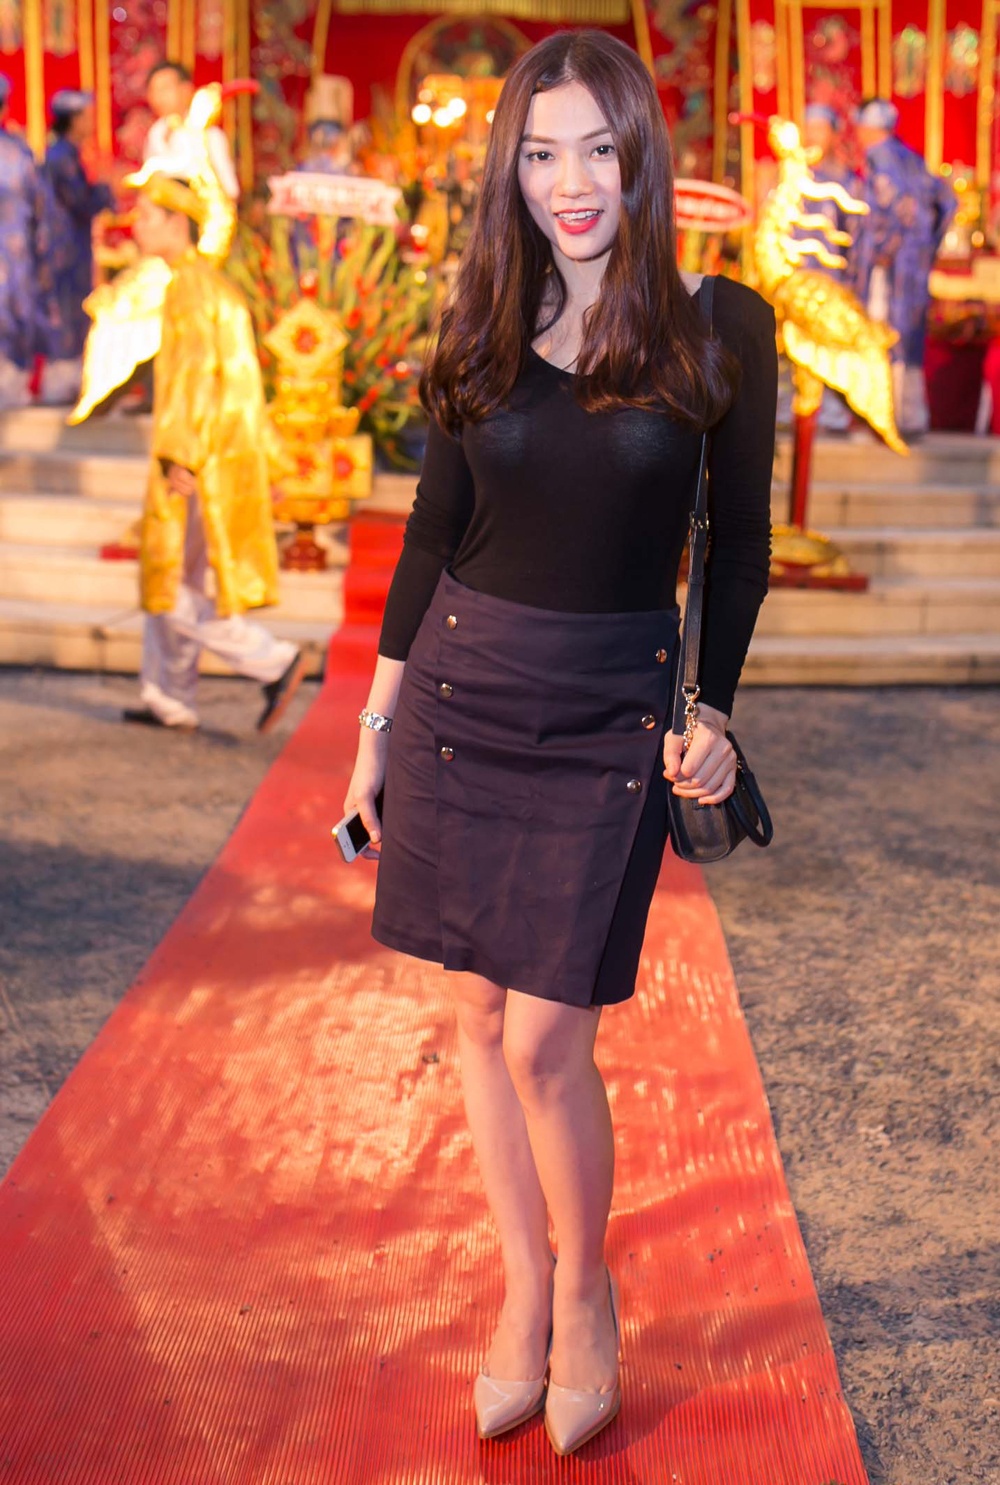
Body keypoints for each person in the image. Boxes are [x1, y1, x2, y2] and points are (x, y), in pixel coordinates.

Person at [343, 29, 775, 1456]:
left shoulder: (719, 327)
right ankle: (521, 1291)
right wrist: (375, 728)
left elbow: (740, 548)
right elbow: (431, 536)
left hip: (606, 712)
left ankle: (584, 1290)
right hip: (461, 700)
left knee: (543, 1039)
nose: (570, 182)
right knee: (475, 1016)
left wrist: (713, 710)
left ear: (642, 153)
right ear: (509, 170)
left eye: (597, 148)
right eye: (540, 153)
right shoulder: (481, 317)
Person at [122, 172, 306, 733]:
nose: (136, 225)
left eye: (146, 216)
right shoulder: (210, 285)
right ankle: (168, 697)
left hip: (197, 453)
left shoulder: (188, 290)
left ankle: (272, 660)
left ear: (177, 223)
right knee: (180, 574)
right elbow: (243, 386)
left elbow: (196, 381)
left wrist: (178, 455)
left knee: (168, 582)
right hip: (222, 453)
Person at [850, 97, 956, 436]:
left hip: (888, 271)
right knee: (908, 338)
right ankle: (910, 416)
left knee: (882, 334)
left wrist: (885, 248)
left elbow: (897, 208)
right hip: (914, 267)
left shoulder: (880, 159)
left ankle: (884, 417)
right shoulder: (912, 158)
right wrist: (928, 246)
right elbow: (949, 201)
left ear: (869, 127)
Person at [40, 89, 114, 405]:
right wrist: (106, 189)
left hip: (70, 248)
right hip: (65, 251)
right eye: (87, 117)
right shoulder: (61, 157)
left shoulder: (65, 153)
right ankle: (63, 383)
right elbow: (80, 202)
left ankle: (70, 381)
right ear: (74, 120)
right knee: (67, 312)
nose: (91, 123)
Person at [800, 102, 864, 431]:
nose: (813, 136)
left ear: (834, 135)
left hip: (830, 280)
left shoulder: (844, 181)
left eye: (820, 129)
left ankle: (833, 413)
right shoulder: (791, 174)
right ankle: (793, 409)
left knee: (830, 345)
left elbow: (855, 235)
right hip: (795, 280)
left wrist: (852, 278)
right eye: (808, 128)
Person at [0, 73, 58, 407]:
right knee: (15, 313)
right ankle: (14, 383)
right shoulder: (19, 152)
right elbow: (41, 208)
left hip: (14, 250)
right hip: (16, 252)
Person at [144, 61, 240, 201]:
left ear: (186, 89)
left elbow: (231, 191)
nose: (158, 97)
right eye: (153, 91)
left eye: (164, 89)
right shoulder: (155, 132)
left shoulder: (209, 135)